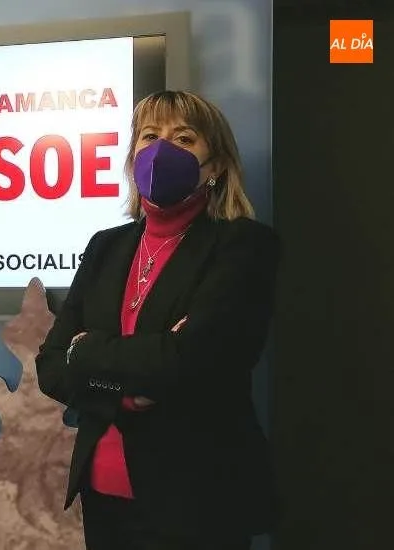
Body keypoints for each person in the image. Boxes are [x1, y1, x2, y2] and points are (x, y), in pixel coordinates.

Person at [35, 90, 280, 550]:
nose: (162, 150)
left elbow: (192, 359)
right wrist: (128, 392)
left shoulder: (243, 246)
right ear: (132, 159)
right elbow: (52, 364)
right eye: (149, 136)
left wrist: (89, 352)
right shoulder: (106, 246)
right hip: (105, 495)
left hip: (198, 498)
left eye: (184, 138)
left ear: (216, 165)